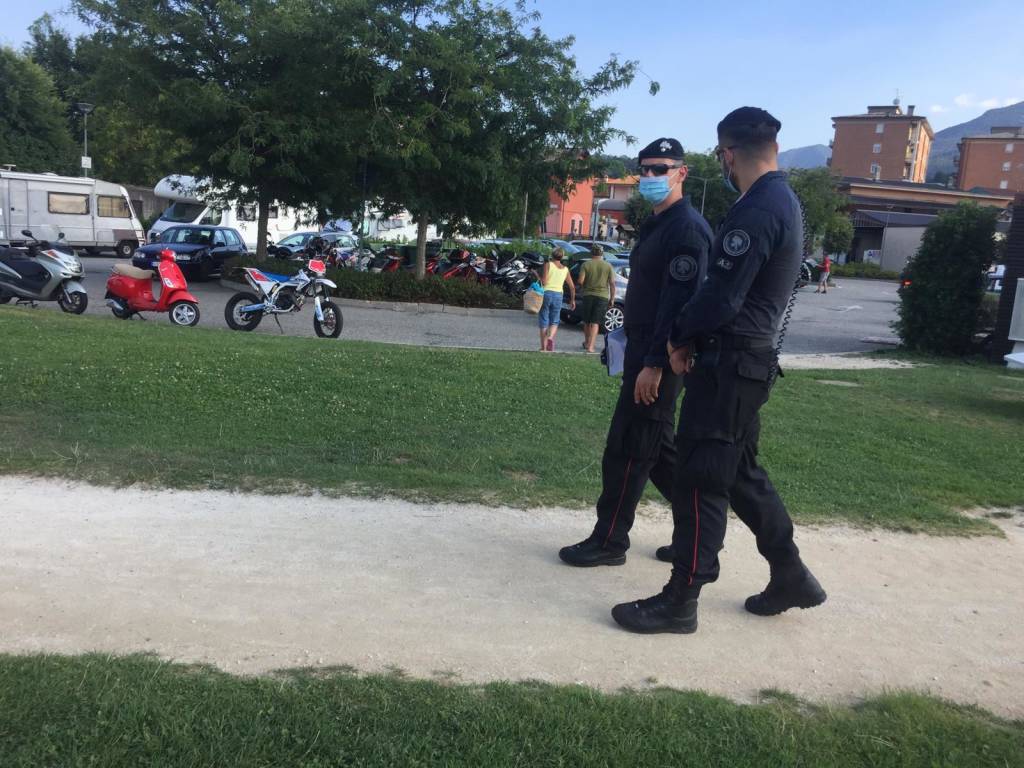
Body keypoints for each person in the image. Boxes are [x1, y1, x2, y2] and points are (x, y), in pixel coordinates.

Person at [611, 108, 827, 635]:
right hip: (746, 362)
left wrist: (679, 337)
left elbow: (721, 295)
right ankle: (791, 573)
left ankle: (681, 598)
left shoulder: (757, 208)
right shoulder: (783, 200)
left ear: (726, 155)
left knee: (700, 479)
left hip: (730, 364)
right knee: (742, 475)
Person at [559, 137, 713, 567]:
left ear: (682, 173)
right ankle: (698, 539)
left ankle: (610, 540)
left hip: (657, 360)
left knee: (628, 448)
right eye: (644, 169)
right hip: (642, 352)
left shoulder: (687, 229)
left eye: (659, 169)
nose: (649, 177)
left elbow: (679, 305)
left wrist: (655, 365)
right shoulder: (657, 223)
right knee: (662, 456)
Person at [576, 243, 616, 353]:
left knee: (587, 321)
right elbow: (612, 283)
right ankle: (591, 347)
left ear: (591, 253)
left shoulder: (586, 265)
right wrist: (612, 298)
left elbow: (580, 281)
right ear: (602, 253)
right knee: (595, 322)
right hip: (602, 296)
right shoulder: (608, 266)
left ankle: (587, 342)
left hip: (588, 295)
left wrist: (583, 288)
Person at [538, 248, 574, 352]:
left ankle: (543, 347)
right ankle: (550, 338)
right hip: (559, 295)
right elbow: (572, 286)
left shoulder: (548, 265)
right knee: (555, 320)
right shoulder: (565, 269)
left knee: (544, 318)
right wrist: (572, 300)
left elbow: (544, 282)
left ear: (551, 255)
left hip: (547, 293)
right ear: (562, 257)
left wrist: (537, 276)